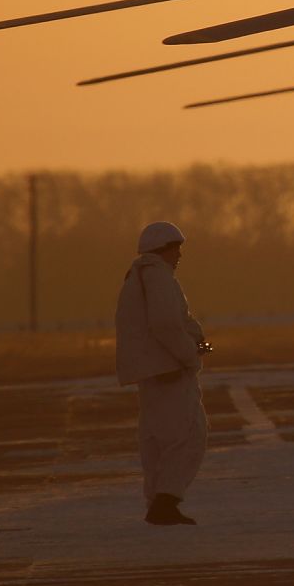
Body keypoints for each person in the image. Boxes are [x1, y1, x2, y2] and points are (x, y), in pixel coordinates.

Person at [114, 221, 211, 525]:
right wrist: (189, 357)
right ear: (162, 249)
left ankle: (158, 500)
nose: (179, 255)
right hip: (168, 368)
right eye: (176, 248)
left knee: (157, 438)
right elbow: (167, 325)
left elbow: (176, 320)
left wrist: (197, 339)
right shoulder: (157, 276)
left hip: (153, 369)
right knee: (187, 435)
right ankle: (166, 501)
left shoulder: (140, 275)